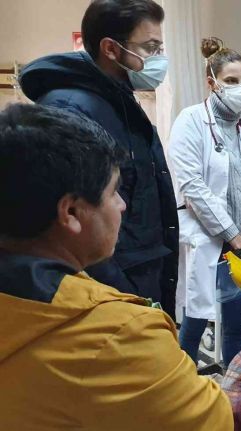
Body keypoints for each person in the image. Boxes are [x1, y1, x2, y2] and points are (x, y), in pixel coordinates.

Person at [0, 103, 232, 431]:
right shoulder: (118, 335)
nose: (122, 205)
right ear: (71, 213)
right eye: (113, 192)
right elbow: (214, 422)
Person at [18, 0, 178, 318]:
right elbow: (70, 223)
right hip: (109, 294)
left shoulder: (120, 104)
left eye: (160, 48)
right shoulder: (71, 111)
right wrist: (121, 298)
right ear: (110, 48)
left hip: (138, 278)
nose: (159, 59)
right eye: (150, 48)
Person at [168, 37, 241, 366]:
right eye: (231, 81)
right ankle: (182, 384)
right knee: (195, 321)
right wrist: (232, 235)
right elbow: (193, 187)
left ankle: (233, 385)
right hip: (208, 237)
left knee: (235, 324)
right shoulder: (190, 121)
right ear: (212, 83)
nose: (240, 88)